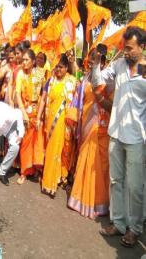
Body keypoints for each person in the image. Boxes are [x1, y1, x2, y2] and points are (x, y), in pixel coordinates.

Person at [93, 26, 146, 247]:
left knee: (134, 186)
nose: (125, 52)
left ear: (142, 47)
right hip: (116, 133)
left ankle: (134, 229)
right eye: (124, 48)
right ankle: (119, 223)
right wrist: (97, 62)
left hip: (136, 139)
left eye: (130, 49)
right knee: (116, 181)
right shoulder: (118, 65)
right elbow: (97, 81)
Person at [67, 51, 111, 219]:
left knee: (100, 166)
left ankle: (99, 203)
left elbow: (109, 103)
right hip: (86, 126)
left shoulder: (108, 80)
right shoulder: (84, 78)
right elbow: (78, 100)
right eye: (90, 60)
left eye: (95, 61)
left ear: (103, 62)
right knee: (84, 161)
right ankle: (80, 198)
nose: (91, 63)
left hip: (101, 127)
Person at [36, 53, 77, 197]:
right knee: (51, 150)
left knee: (60, 151)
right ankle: (50, 181)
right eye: (56, 67)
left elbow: (75, 103)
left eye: (61, 67)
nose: (58, 70)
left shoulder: (72, 82)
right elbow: (43, 99)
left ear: (66, 68)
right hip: (50, 121)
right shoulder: (50, 81)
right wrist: (38, 117)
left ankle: (55, 180)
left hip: (64, 123)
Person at [15, 49, 47, 185]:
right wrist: (23, 113)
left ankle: (36, 169)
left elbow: (43, 95)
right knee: (25, 143)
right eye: (23, 60)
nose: (24, 62)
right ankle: (24, 171)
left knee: (37, 142)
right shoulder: (20, 74)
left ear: (33, 61)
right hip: (25, 112)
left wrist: (40, 115)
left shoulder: (40, 74)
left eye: (27, 60)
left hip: (37, 112)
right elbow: (17, 94)